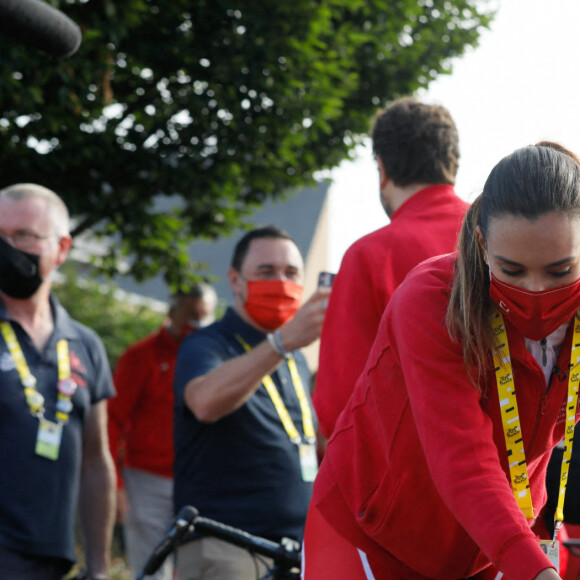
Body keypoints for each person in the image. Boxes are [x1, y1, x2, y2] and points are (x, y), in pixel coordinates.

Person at [303, 143, 580, 580]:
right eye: (511, 270)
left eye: (561, 272)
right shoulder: (430, 299)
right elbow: (462, 455)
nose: (536, 291)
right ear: (482, 244)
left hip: (494, 542)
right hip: (371, 534)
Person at [173, 225, 330, 580]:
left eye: (291, 273)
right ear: (235, 280)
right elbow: (204, 402)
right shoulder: (207, 344)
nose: (280, 282)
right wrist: (281, 343)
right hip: (225, 544)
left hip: (296, 549)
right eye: (265, 272)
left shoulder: (295, 357)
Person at [313, 97, 469, 441]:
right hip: (514, 477)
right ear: (453, 162)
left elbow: (341, 401)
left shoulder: (369, 255)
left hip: (407, 474)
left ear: (381, 169)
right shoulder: (498, 237)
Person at [0, 183, 116, 579]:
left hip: (51, 559)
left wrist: (99, 567)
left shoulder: (85, 344)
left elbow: (96, 461)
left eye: (23, 236)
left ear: (62, 248)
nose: (8, 247)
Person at [107, 283, 218, 580]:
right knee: (151, 567)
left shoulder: (215, 357)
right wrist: (115, 485)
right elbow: (112, 418)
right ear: (172, 313)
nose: (196, 326)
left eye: (203, 319)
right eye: (190, 318)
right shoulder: (141, 356)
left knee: (200, 567)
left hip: (199, 481)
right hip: (147, 481)